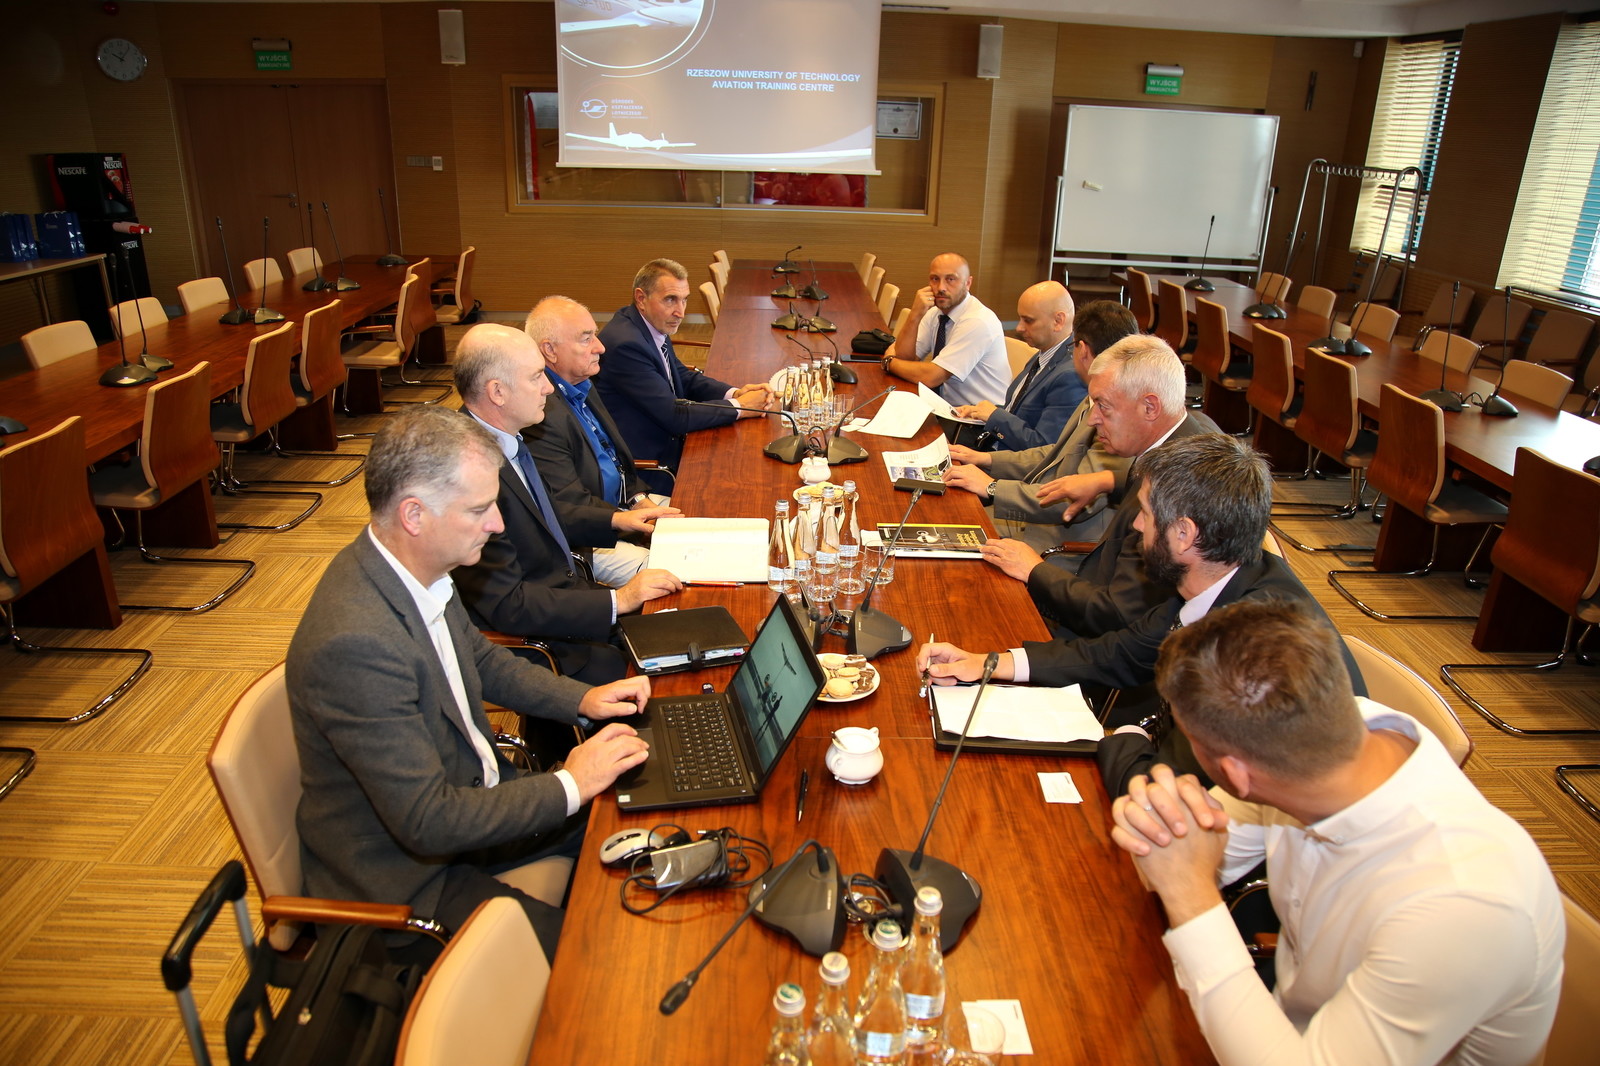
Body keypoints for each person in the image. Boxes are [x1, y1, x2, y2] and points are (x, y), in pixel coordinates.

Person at [1112, 600, 1564, 1066]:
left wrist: (1188, 890)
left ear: (1235, 774)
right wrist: (1157, 826)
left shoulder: (1461, 903)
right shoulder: (1312, 743)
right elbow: (1173, 861)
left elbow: (1183, 882)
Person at [285, 405, 653, 962]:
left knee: (648, 815)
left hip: (475, 806)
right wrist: (570, 783)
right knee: (596, 962)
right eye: (480, 509)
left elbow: (479, 660)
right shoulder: (356, 644)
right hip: (413, 880)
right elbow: (428, 821)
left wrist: (581, 698)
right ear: (414, 515)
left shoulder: (417, 570)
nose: (498, 525)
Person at [919, 433, 1365, 792]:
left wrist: (1126, 735)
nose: (1135, 525)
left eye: (1147, 515)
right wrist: (989, 663)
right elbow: (1120, 652)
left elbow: (1162, 788)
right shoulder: (1222, 576)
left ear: (1184, 534)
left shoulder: (1247, 653)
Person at [450, 323, 682, 685]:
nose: (548, 387)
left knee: (684, 633)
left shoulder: (508, 438)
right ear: (497, 392)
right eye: (536, 377)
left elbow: (545, 515)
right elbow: (508, 604)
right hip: (537, 645)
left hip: (567, 599)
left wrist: (619, 520)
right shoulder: (465, 473)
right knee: (665, 684)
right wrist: (618, 601)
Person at [974, 335, 1218, 639]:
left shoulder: (1174, 492)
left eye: (1103, 406)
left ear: (1150, 407)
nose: (1092, 420)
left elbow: (1116, 615)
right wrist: (1108, 481)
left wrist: (1034, 570)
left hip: (1102, 636)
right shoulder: (1191, 436)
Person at [941, 300, 1138, 549]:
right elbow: (1056, 453)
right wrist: (985, 459)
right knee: (944, 513)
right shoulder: (1096, 393)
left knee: (947, 521)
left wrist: (991, 488)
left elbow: (1071, 499)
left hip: (1056, 540)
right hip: (1035, 516)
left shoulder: (1116, 414)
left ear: (1082, 350)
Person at [595, 258, 774, 493]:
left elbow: (681, 376)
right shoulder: (626, 345)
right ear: (641, 298)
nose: (680, 312)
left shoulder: (649, 324)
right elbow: (674, 416)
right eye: (670, 299)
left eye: (684, 299)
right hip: (652, 468)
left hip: (676, 443)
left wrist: (734, 393)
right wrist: (741, 407)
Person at [525, 295, 666, 587]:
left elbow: (618, 462)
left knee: (704, 521)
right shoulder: (538, 413)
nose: (600, 347)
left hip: (623, 509)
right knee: (678, 571)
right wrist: (629, 522)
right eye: (586, 338)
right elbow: (569, 506)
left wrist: (638, 501)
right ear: (549, 350)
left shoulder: (581, 383)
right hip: (589, 539)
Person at [946, 280, 1085, 451]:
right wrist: (979, 411)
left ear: (1058, 321)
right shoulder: (1044, 354)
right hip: (993, 442)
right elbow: (1017, 411)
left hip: (1007, 459)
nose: (1019, 328)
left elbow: (1042, 448)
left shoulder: (1070, 375)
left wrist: (994, 416)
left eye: (1028, 321)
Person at [882, 252, 1011, 407]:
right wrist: (915, 315)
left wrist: (889, 362)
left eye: (950, 279)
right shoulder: (935, 313)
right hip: (948, 407)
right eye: (935, 279)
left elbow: (932, 377)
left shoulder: (977, 320)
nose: (941, 288)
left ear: (968, 283)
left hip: (979, 416)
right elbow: (905, 359)